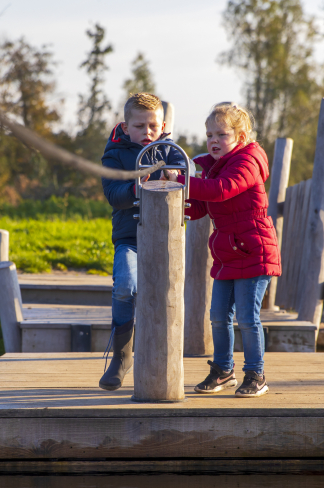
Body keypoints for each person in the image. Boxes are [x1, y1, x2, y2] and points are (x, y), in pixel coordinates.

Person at [169, 102, 281, 398]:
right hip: (228, 250)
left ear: (241, 137)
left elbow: (221, 190)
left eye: (221, 134)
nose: (213, 140)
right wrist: (170, 201)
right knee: (218, 315)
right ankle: (223, 370)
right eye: (209, 135)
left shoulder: (248, 161)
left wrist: (181, 180)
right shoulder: (215, 167)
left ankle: (257, 375)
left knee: (247, 317)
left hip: (255, 250)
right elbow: (203, 207)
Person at [99, 93, 186, 391]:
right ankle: (122, 357)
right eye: (139, 126)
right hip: (131, 237)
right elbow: (114, 195)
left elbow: (188, 178)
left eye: (152, 126)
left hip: (167, 238)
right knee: (125, 286)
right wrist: (139, 186)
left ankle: (166, 360)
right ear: (125, 127)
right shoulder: (114, 154)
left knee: (169, 295)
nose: (147, 132)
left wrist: (175, 174)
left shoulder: (171, 150)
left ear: (162, 126)